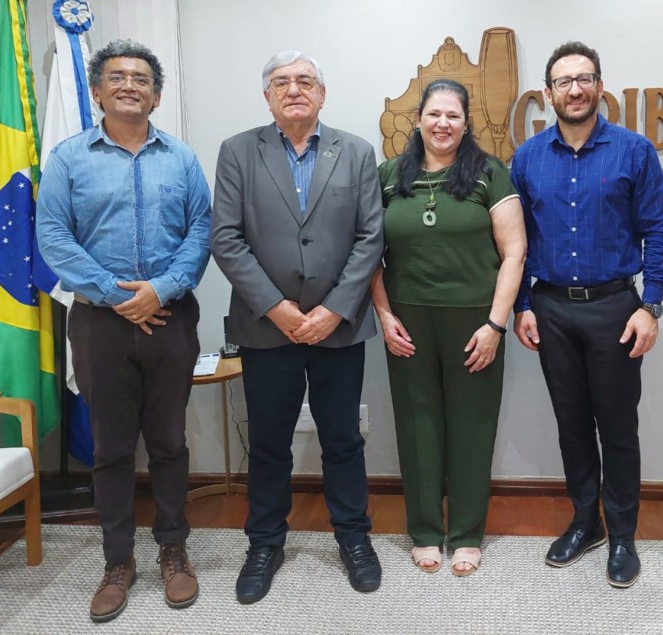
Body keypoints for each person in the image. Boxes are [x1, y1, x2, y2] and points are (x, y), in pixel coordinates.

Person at [36, 40, 211, 621]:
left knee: (168, 443)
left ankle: (173, 550)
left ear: (156, 94)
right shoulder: (66, 159)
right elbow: (54, 237)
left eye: (141, 77)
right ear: (97, 90)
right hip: (98, 325)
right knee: (111, 449)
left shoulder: (181, 158)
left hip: (170, 317)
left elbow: (201, 230)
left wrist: (160, 290)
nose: (129, 85)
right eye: (117, 76)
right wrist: (118, 297)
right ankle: (117, 561)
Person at [210, 50, 384, 604]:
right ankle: (264, 544)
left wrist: (333, 308)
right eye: (281, 82)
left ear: (322, 93)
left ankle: (354, 539)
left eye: (305, 80)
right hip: (268, 329)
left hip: (339, 328)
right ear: (266, 97)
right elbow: (226, 239)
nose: (293, 90)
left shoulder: (355, 153)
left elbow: (369, 238)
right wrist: (278, 309)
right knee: (268, 443)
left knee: (342, 440)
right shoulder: (238, 151)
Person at [511, 41, 663, 588]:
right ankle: (587, 523)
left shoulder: (634, 151)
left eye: (584, 79)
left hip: (616, 308)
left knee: (618, 426)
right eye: (564, 81)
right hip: (551, 308)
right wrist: (522, 305)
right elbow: (515, 241)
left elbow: (660, 231)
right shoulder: (528, 158)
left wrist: (650, 306)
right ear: (547, 93)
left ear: (600, 86)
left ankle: (623, 534)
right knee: (573, 425)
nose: (575, 89)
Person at [371, 79, 525, 576]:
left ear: (466, 122)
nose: (443, 124)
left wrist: (496, 326)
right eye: (434, 114)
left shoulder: (489, 173)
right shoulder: (390, 175)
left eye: (453, 116)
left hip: (476, 321)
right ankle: (423, 531)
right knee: (417, 424)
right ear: (418, 119)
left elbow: (515, 252)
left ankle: (464, 533)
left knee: (472, 425)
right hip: (406, 319)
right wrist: (383, 313)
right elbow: (367, 252)